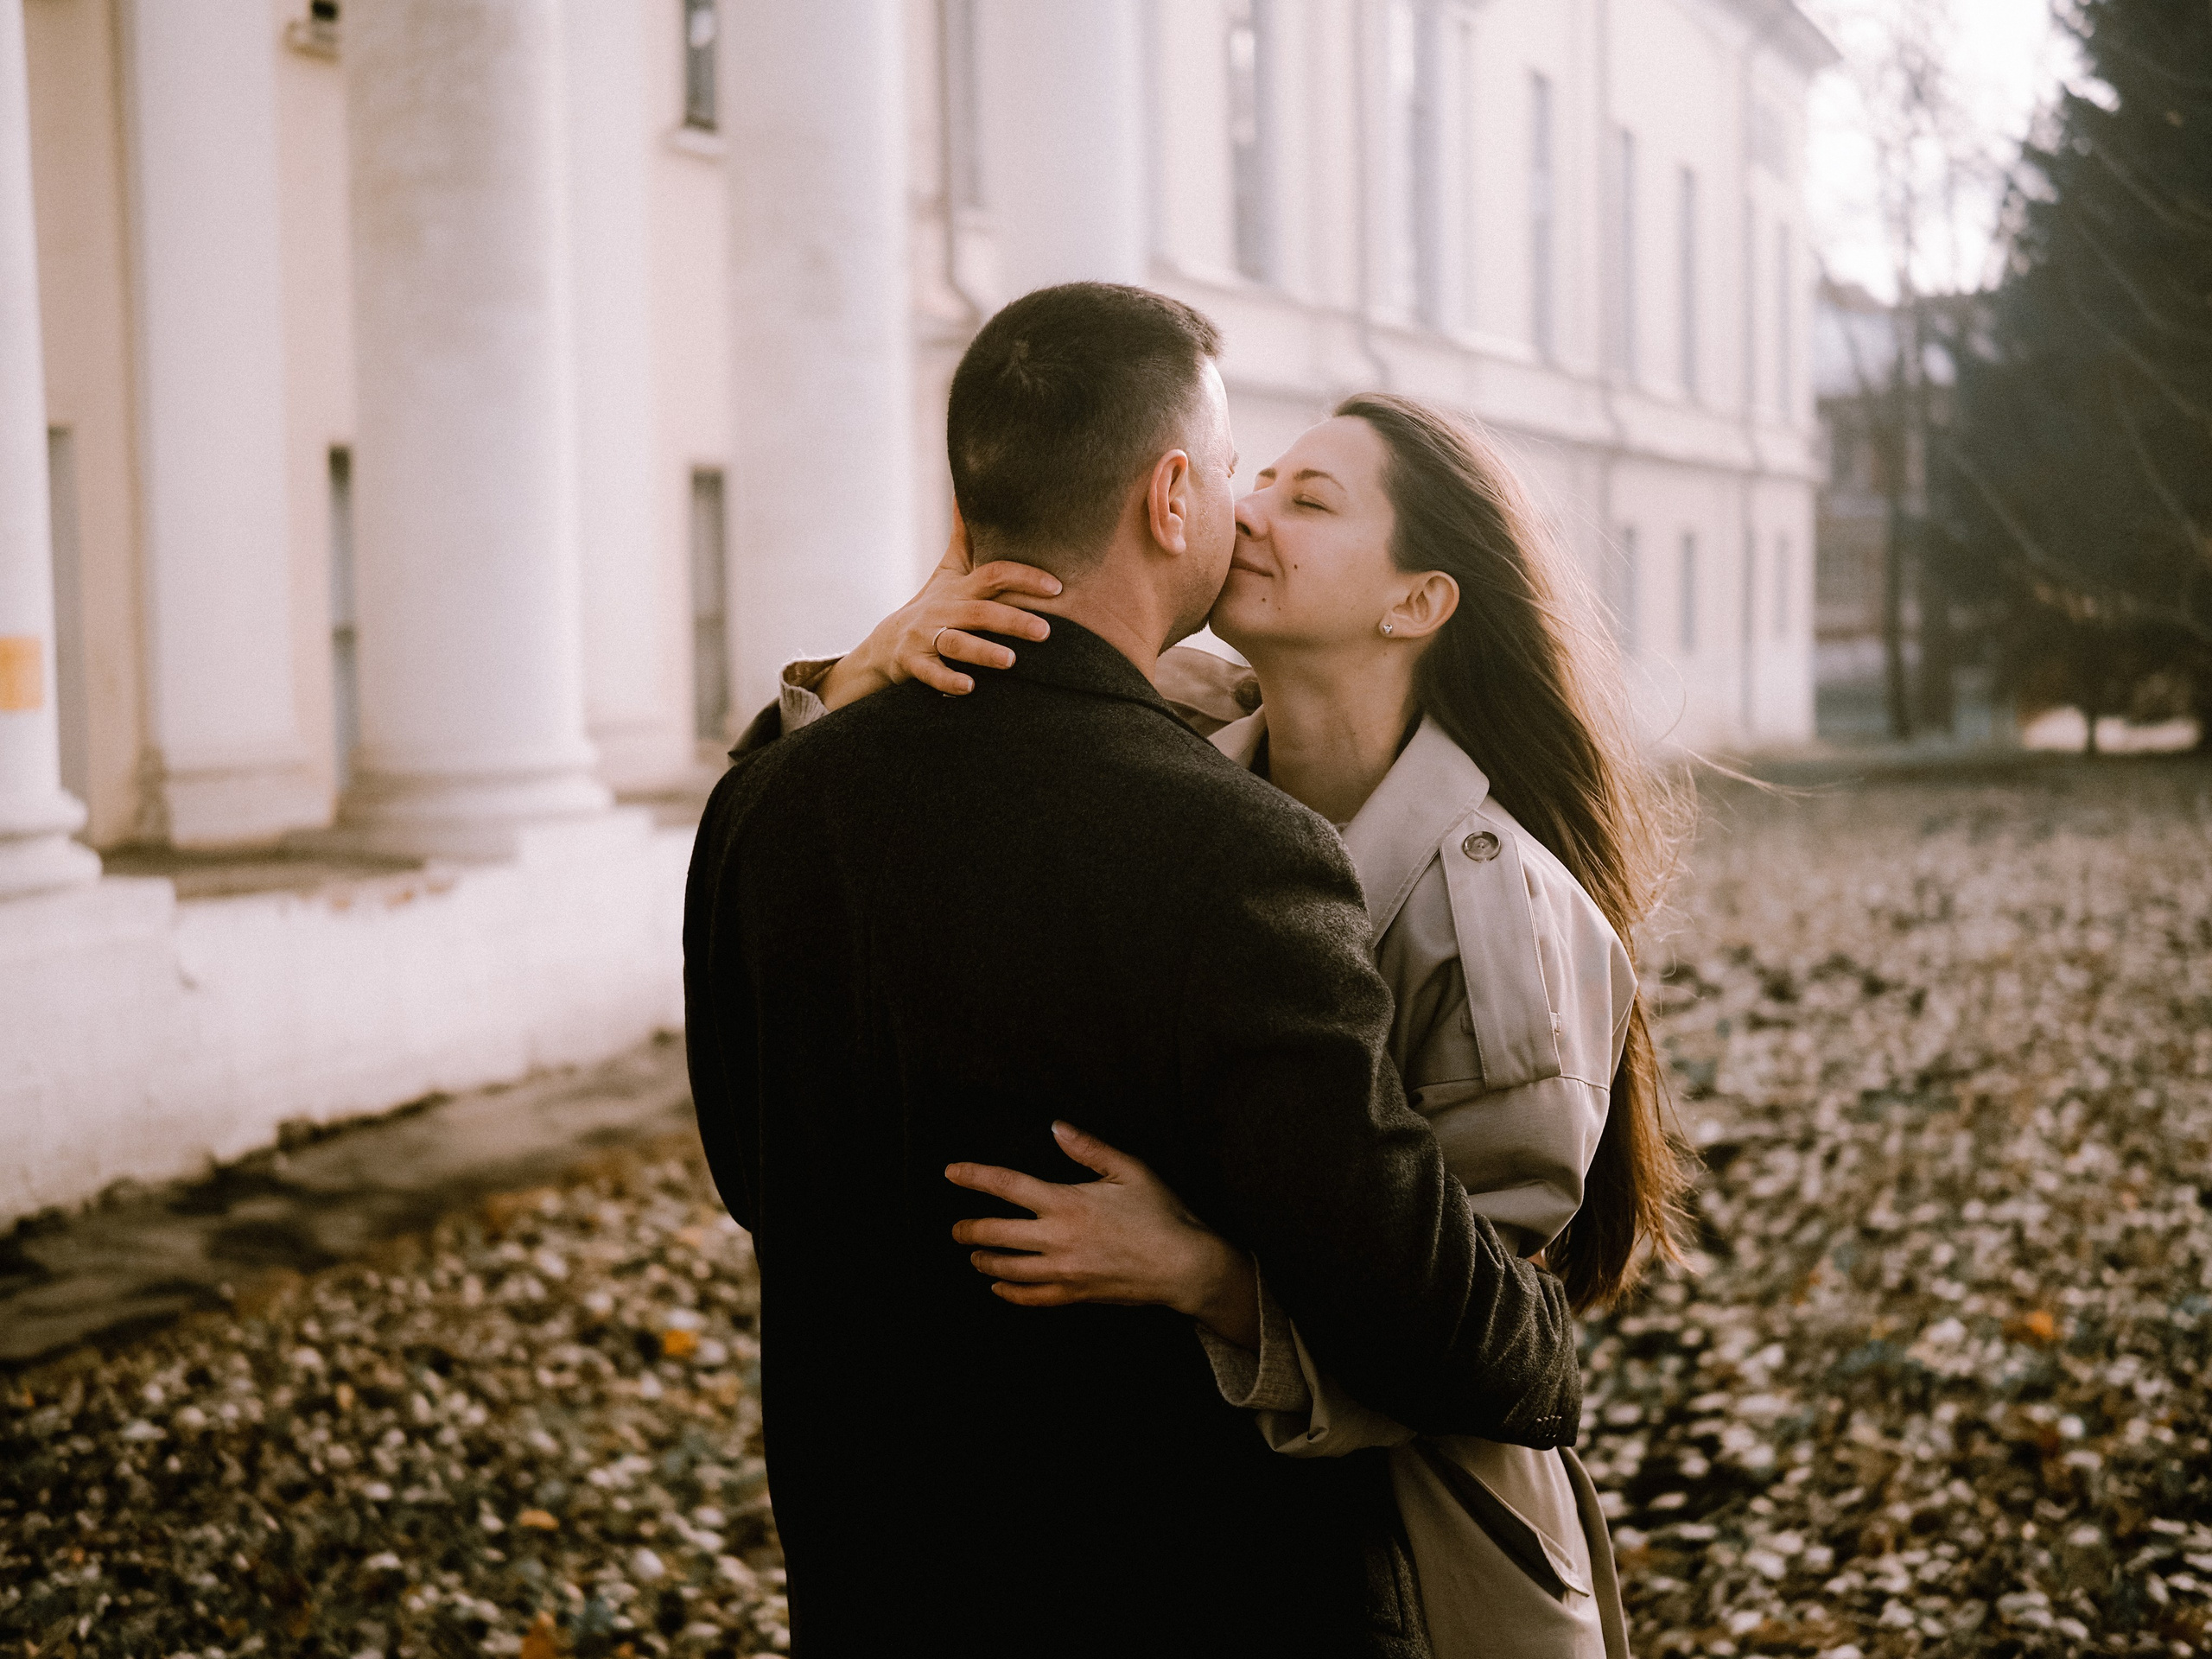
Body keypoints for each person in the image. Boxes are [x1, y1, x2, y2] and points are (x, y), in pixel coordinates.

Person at [683, 283, 1582, 1659]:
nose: (1251, 512)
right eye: (1235, 476)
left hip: (870, 1592)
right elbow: (1466, 1338)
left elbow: (757, 1177)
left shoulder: (764, 804)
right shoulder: (1237, 855)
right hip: (1179, 1600)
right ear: (1173, 500)